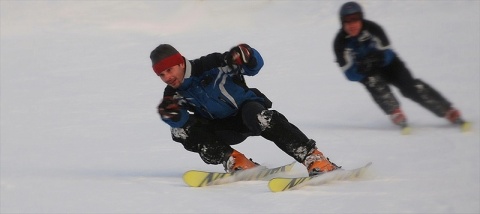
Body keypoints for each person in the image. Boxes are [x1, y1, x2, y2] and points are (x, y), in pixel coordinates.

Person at [150, 43, 339, 176]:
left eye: (169, 70)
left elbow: (252, 67)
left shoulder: (212, 63)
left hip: (246, 112)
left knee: (259, 117)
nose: (167, 77)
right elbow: (182, 120)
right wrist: (172, 116)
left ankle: (313, 157)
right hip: (223, 128)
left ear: (181, 63)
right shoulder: (172, 93)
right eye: (161, 74)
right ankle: (235, 161)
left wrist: (246, 55)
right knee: (179, 130)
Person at [333, 1, 467, 128]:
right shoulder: (340, 43)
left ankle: (447, 110)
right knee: (374, 82)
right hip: (366, 72)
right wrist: (362, 68)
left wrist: (378, 58)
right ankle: (394, 111)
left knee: (410, 87)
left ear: (361, 18)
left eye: (355, 19)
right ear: (342, 22)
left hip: (390, 65)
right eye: (347, 21)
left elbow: (388, 52)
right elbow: (349, 73)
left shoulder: (373, 29)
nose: (352, 25)